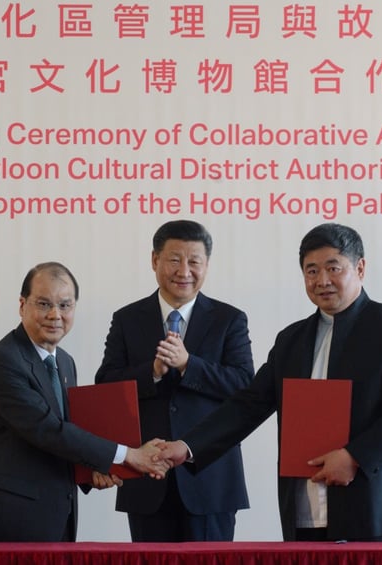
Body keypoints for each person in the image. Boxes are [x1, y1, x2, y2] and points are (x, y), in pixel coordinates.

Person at [156, 223, 382, 542]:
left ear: (360, 268)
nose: (322, 280)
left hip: (372, 507)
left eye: (333, 268)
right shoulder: (292, 339)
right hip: (304, 507)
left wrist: (355, 456)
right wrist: (187, 446)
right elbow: (248, 405)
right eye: (311, 271)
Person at [0, 262, 169, 542]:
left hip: (57, 515)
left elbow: (66, 433)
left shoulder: (65, 362)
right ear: (22, 305)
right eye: (44, 304)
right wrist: (128, 455)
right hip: (6, 520)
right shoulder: (2, 362)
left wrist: (92, 471)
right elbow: (48, 430)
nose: (55, 315)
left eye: (65, 305)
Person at [95, 220, 254, 542]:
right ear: (155, 260)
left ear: (206, 264)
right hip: (146, 476)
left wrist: (188, 365)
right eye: (174, 259)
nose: (184, 271)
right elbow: (106, 386)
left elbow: (244, 386)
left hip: (209, 477)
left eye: (194, 261)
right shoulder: (127, 318)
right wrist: (152, 372)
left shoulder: (229, 319)